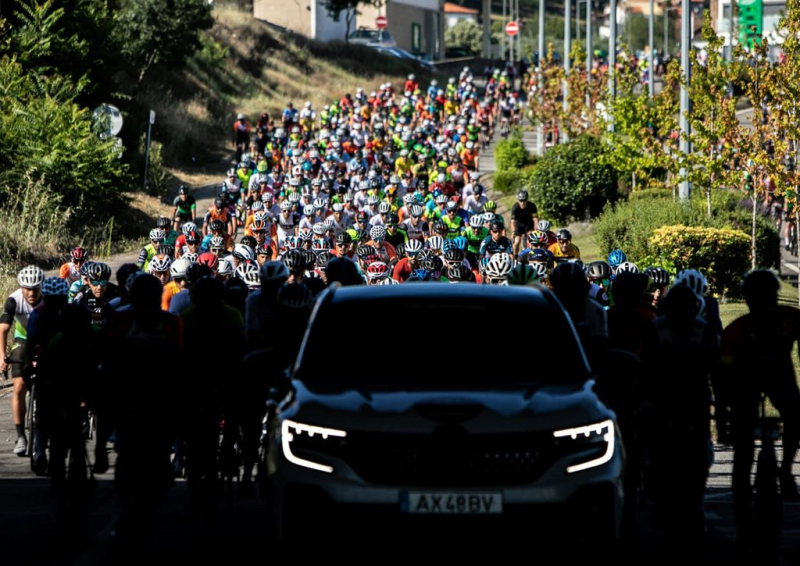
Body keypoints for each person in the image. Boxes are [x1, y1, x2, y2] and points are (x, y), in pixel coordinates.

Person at [718, 270, 800, 551]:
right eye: (756, 301)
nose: (762, 307)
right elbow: (724, 374)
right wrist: (727, 414)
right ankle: (742, 513)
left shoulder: (789, 319)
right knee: (743, 449)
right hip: (746, 383)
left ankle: (787, 471)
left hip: (780, 378)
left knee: (795, 413)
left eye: (767, 300)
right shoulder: (736, 330)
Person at [0, 265, 45, 455]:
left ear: (41, 287)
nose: (32, 292)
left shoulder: (49, 299)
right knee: (18, 386)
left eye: (35, 288)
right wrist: (1, 356)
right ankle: (20, 436)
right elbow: (3, 329)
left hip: (44, 339)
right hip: (23, 339)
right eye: (27, 288)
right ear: (21, 287)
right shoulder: (14, 300)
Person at [510, 189, 538, 257]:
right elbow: (512, 222)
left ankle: (532, 255)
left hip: (529, 225)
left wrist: (536, 231)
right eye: (520, 201)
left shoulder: (532, 206)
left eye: (524, 200)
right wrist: (513, 232)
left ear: (527, 200)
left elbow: (535, 219)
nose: (522, 203)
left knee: (532, 240)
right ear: (518, 200)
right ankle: (515, 257)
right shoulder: (515, 207)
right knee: (517, 241)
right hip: (519, 226)